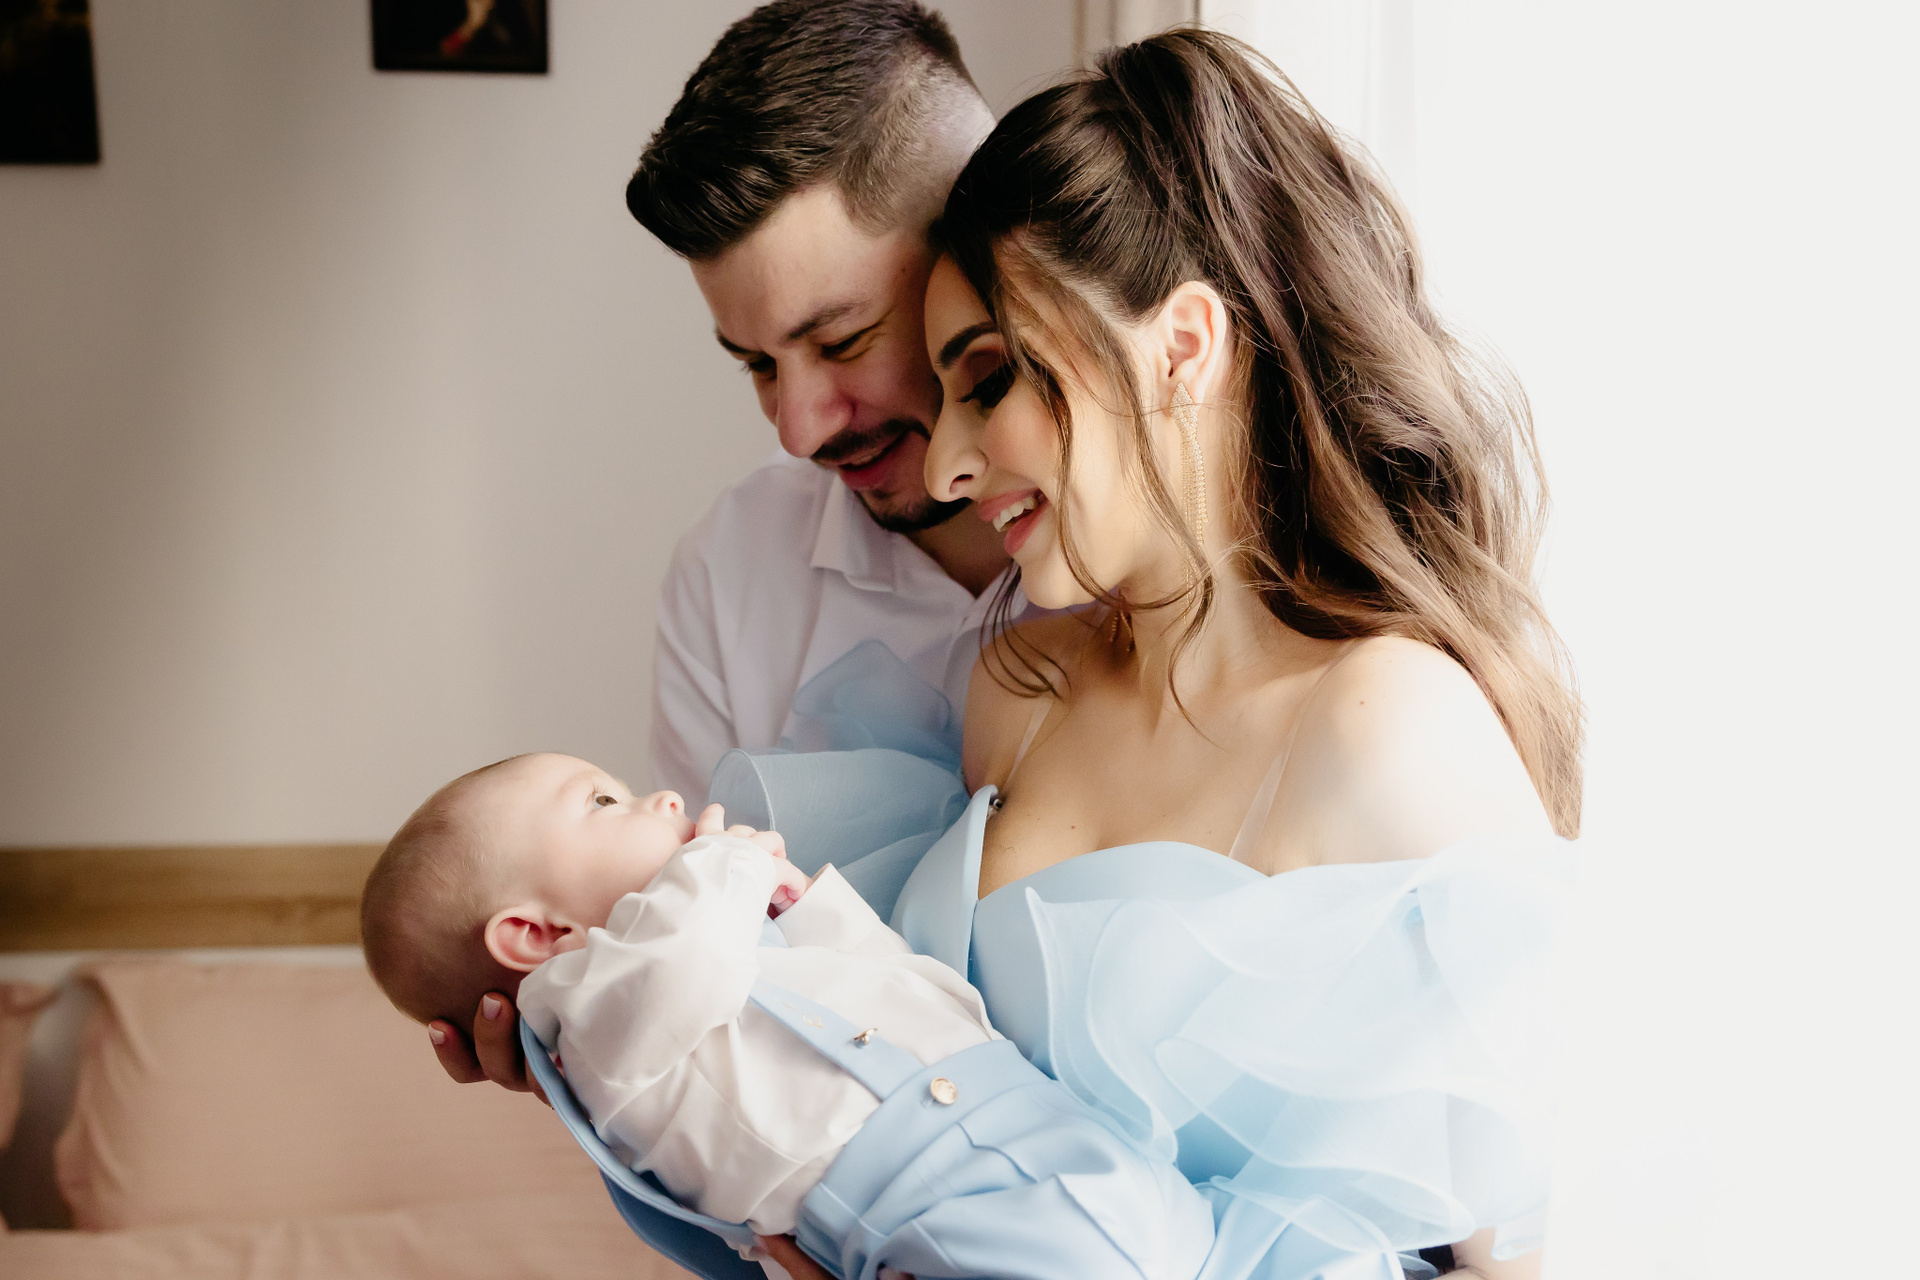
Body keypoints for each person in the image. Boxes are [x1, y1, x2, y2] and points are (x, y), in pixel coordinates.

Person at [752, 26, 1582, 1280]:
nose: (948, 464)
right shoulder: (1016, 693)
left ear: (1183, 344)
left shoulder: (1392, 730)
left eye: (990, 380)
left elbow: (1521, 1252)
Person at [427, 0, 1026, 1111]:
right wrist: (597, 1054)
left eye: (841, 340)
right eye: (755, 363)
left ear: (982, 265)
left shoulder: (1165, 552)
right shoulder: (730, 574)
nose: (798, 427)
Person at [363, 753, 1379, 1280]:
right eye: (602, 802)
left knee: (1217, 1241)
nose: (663, 799)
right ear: (533, 934)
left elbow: (889, 978)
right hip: (935, 1204)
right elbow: (687, 967)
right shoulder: (587, 1011)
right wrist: (724, 864)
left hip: (1036, 1130)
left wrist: (807, 908)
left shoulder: (714, 934)